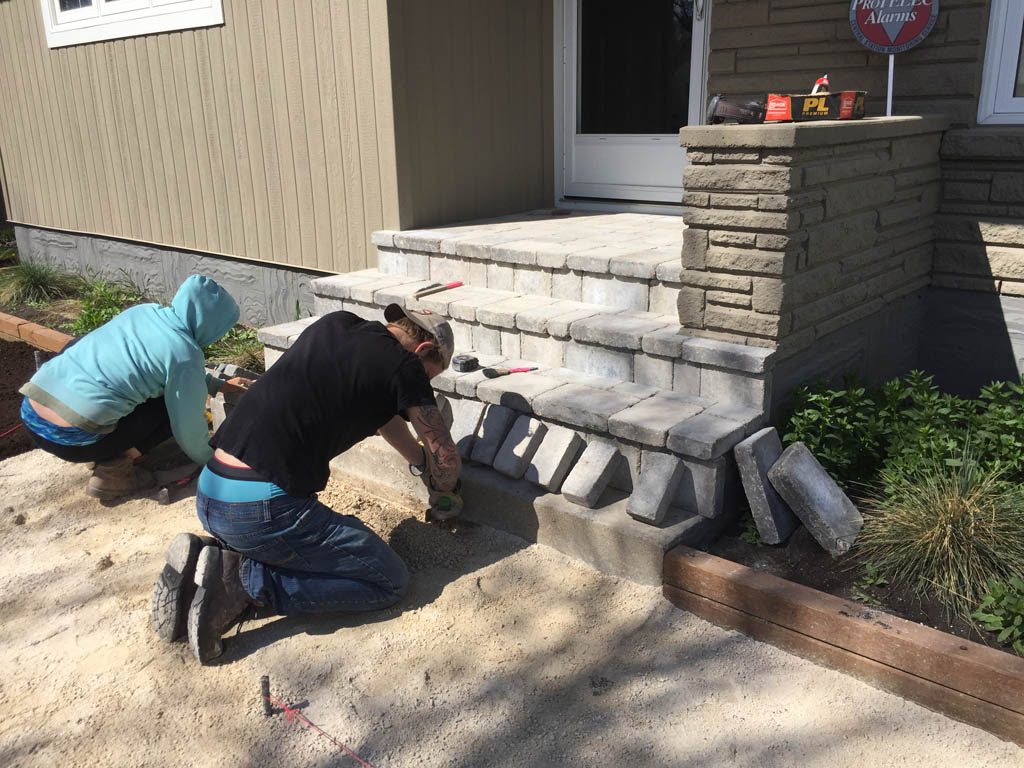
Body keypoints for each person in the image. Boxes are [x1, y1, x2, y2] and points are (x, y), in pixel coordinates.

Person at [150, 304, 462, 664]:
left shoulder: (338, 324)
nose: (423, 384)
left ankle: (211, 562)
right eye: (430, 375)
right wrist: (446, 488)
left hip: (212, 491)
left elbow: (387, 419)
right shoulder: (407, 368)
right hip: (260, 510)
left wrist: (419, 464)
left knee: (296, 539)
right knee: (388, 581)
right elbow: (447, 456)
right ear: (423, 351)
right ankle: (246, 582)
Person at [18, 274, 240, 500]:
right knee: (169, 407)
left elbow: (148, 364)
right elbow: (188, 431)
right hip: (70, 438)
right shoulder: (185, 353)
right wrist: (214, 463)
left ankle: (104, 450)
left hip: (31, 413)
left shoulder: (143, 312)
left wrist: (216, 385)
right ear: (213, 325)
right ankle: (113, 473)